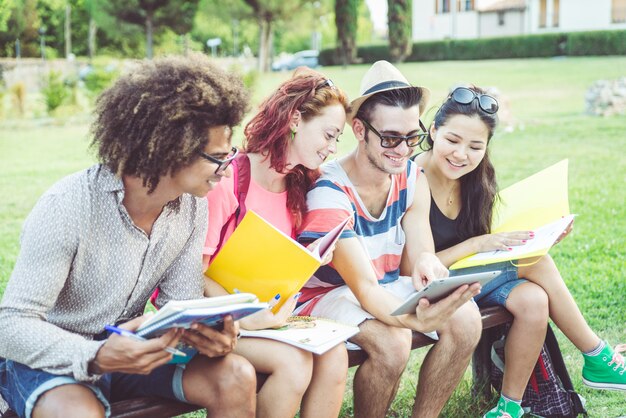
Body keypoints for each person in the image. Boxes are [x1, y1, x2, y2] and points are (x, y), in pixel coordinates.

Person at [0, 55, 256, 418]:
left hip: (131, 350)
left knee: (235, 376)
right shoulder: (67, 205)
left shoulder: (193, 207)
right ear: (172, 148)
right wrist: (96, 355)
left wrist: (210, 338)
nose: (225, 173)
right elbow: (10, 325)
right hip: (50, 356)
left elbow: (180, 305)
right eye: (217, 159)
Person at [413, 85, 626, 418]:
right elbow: (413, 265)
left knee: (533, 300)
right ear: (433, 130)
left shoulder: (475, 179)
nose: (461, 155)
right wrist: (477, 245)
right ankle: (596, 355)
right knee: (533, 261)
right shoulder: (414, 179)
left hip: (472, 280)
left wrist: (543, 234)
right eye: (452, 141)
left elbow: (496, 235)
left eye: (475, 146)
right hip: (428, 286)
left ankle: (508, 407)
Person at [294, 60, 483, 418]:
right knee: (394, 344)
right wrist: (415, 322)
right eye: (391, 138)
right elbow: (364, 289)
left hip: (381, 284)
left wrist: (427, 261)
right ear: (359, 129)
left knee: (467, 319)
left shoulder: (412, 175)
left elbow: (421, 247)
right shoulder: (329, 190)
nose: (403, 150)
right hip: (324, 296)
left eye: (413, 137)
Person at [203, 68, 350, 418]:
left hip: (271, 315)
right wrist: (248, 316)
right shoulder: (230, 181)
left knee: (335, 354)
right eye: (329, 135)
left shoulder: (298, 187)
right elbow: (194, 273)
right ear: (296, 119)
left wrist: (312, 257)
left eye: (337, 140)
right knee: (294, 365)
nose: (332, 148)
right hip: (219, 317)